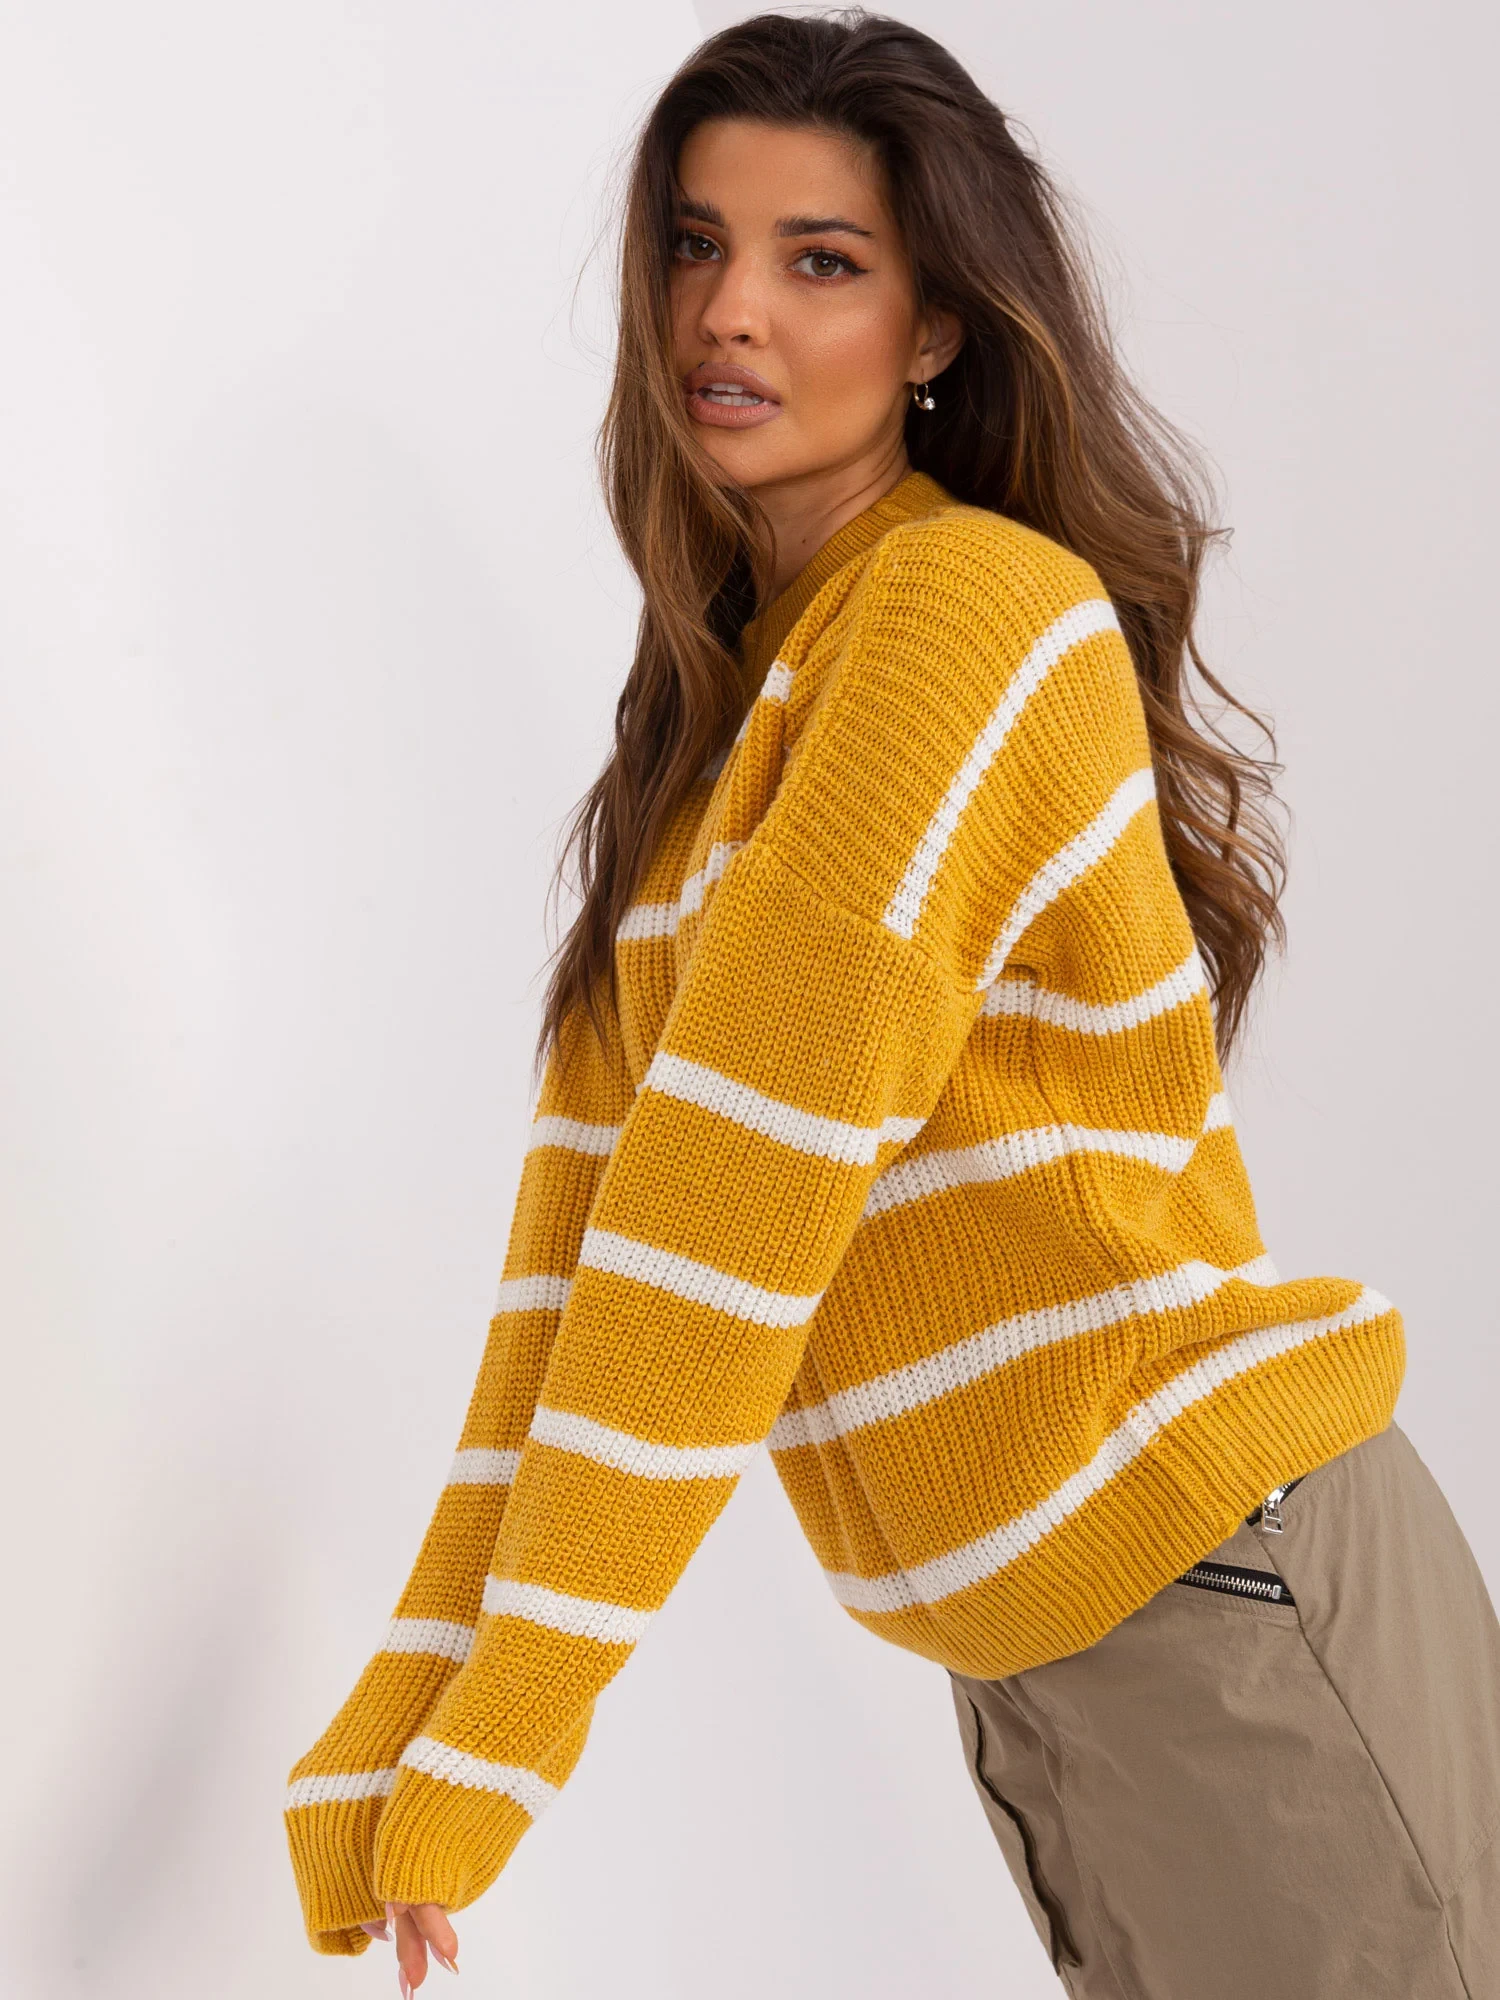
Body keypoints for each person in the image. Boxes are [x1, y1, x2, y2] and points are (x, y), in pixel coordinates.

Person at [282, 13, 1500, 1997]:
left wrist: (496, 1748)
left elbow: (724, 1234)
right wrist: (401, 1732)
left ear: (936, 325)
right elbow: (586, 1260)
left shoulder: (959, 620)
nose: (730, 311)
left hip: (1215, 1592)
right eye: (696, 244)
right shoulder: (717, 735)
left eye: (820, 260)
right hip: (1059, 1662)